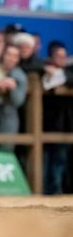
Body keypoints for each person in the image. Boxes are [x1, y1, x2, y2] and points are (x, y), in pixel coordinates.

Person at [42, 41, 72, 194]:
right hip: (44, 123)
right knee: (44, 159)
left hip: (63, 124)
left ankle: (56, 191)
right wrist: (47, 70)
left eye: (64, 56)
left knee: (59, 160)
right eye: (58, 56)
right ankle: (43, 190)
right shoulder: (43, 70)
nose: (62, 59)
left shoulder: (68, 73)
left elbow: (70, 78)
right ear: (51, 58)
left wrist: (58, 73)